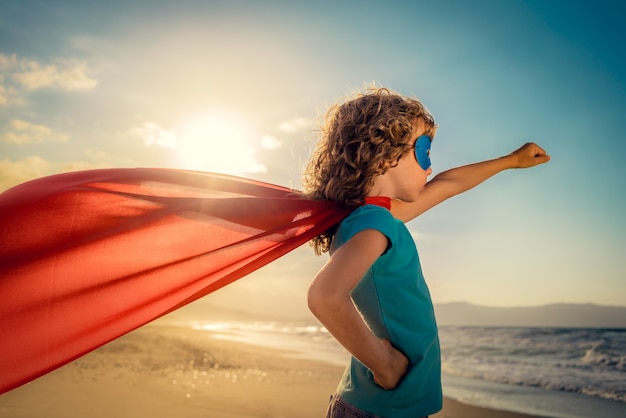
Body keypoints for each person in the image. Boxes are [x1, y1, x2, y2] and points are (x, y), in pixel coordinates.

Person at [302, 87, 550, 418]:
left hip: (374, 405)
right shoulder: (375, 226)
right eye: (424, 151)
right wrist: (384, 364)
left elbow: (449, 184)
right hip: (383, 411)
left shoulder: (369, 216)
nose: (430, 166)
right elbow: (325, 296)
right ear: (387, 156)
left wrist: (509, 161)